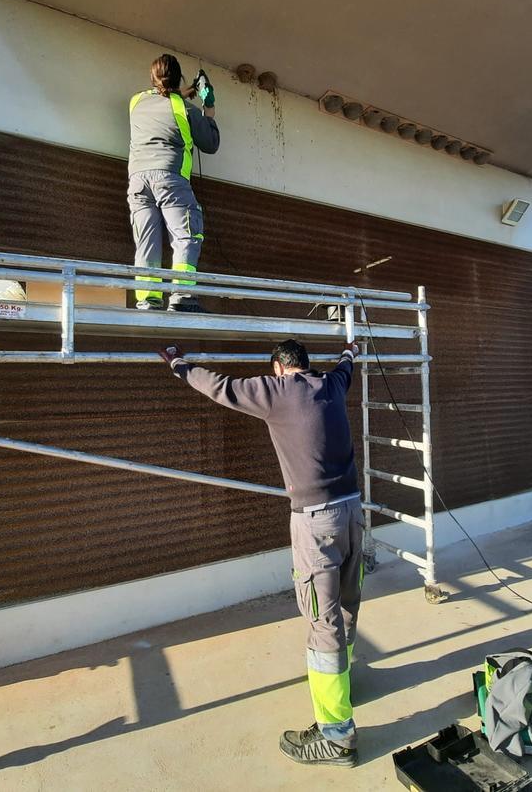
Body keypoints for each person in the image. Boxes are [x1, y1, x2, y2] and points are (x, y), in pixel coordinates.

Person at [157, 338, 365, 768]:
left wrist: (179, 363)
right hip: (352, 514)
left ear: (278, 368)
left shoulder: (277, 392)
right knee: (345, 606)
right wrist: (351, 351)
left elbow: (221, 388)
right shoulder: (330, 384)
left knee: (322, 621)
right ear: (306, 366)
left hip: (317, 523)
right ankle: (344, 688)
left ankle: (337, 736)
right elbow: (347, 366)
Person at [128, 53, 220, 314]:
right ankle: (182, 298)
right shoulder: (185, 109)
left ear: (152, 77)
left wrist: (184, 92)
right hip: (170, 179)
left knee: (146, 240)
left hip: (137, 181)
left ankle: (148, 299)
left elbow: (163, 99)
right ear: (178, 77)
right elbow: (210, 144)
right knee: (186, 236)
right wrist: (208, 106)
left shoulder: (136, 102)